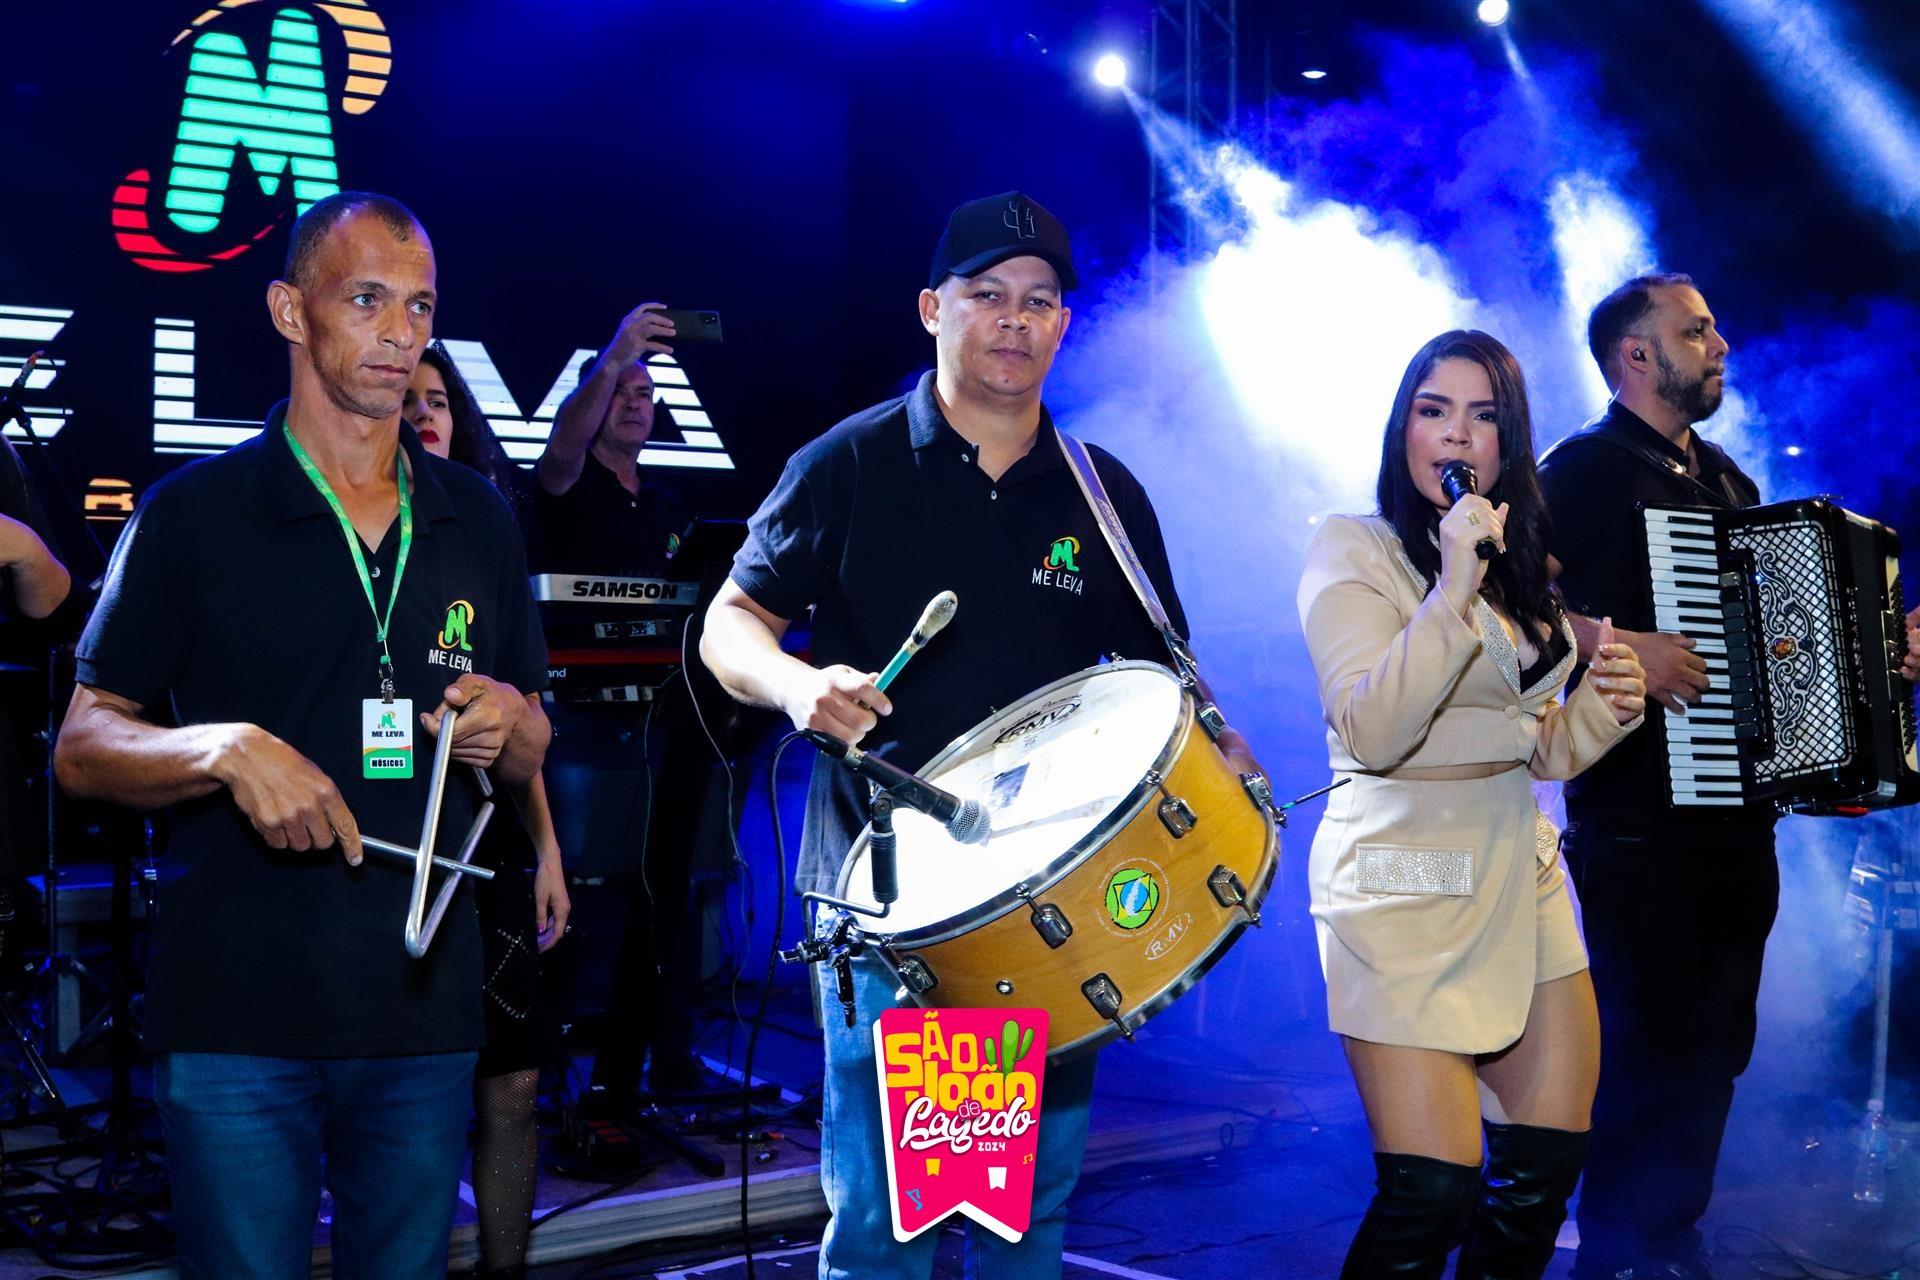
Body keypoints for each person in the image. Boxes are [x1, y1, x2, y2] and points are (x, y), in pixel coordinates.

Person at [700, 191, 1262, 1280]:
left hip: (1049, 903)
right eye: (987, 294)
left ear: (1063, 325)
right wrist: (797, 684)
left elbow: (1165, 674)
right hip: (892, 909)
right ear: (932, 309)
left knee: (1022, 1224)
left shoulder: (1101, 493)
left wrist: (1222, 740)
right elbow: (730, 623)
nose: (1014, 318)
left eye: (1039, 300)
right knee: (891, 1231)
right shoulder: (850, 463)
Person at [53, 191, 551, 1280]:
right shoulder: (194, 512)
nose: (400, 333)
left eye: (419, 305)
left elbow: (530, 743)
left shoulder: (477, 515)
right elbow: (82, 745)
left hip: (420, 1008)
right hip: (238, 1010)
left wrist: (513, 724)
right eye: (366, 299)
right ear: (290, 309)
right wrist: (222, 748)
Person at [1539, 274, 1920, 1278]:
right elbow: (1510, 611)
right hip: (1632, 817)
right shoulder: (1581, 471)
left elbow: (1784, 658)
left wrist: (1882, 660)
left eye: (1712, 330)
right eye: (1695, 331)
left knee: (1716, 1048)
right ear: (1635, 354)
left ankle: (1669, 1236)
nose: (1719, 345)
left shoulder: (1731, 486)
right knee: (1644, 1048)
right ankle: (1613, 1251)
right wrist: (1623, 643)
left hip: (1735, 820)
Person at [1296, 330, 1646, 1278]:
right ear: (1403, 429)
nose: (1457, 434)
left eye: (1483, 416)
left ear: (1507, 442)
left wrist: (1600, 714)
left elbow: (1530, 747)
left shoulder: (1518, 564)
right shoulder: (1355, 549)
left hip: (1519, 873)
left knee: (1541, 1174)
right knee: (1433, 1191)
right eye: (1434, 410)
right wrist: (1450, 589)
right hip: (1401, 882)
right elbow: (1373, 729)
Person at [406, 342, 571, 1280]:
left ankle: (507, 1273)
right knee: (414, 1101)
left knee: (514, 1083)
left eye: (439, 400)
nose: (425, 414)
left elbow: (527, 722)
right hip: (396, 852)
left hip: (490, 848)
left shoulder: (484, 527)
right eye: (411, 400)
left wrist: (548, 852)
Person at [533, 309, 707, 1103]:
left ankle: (662, 1058)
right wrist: (615, 356)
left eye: (645, 393)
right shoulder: (566, 485)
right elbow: (561, 452)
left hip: (663, 722)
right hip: (577, 722)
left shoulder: (670, 507)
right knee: (573, 886)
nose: (635, 403)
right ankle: (550, 1065)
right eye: (620, 392)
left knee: (670, 886)